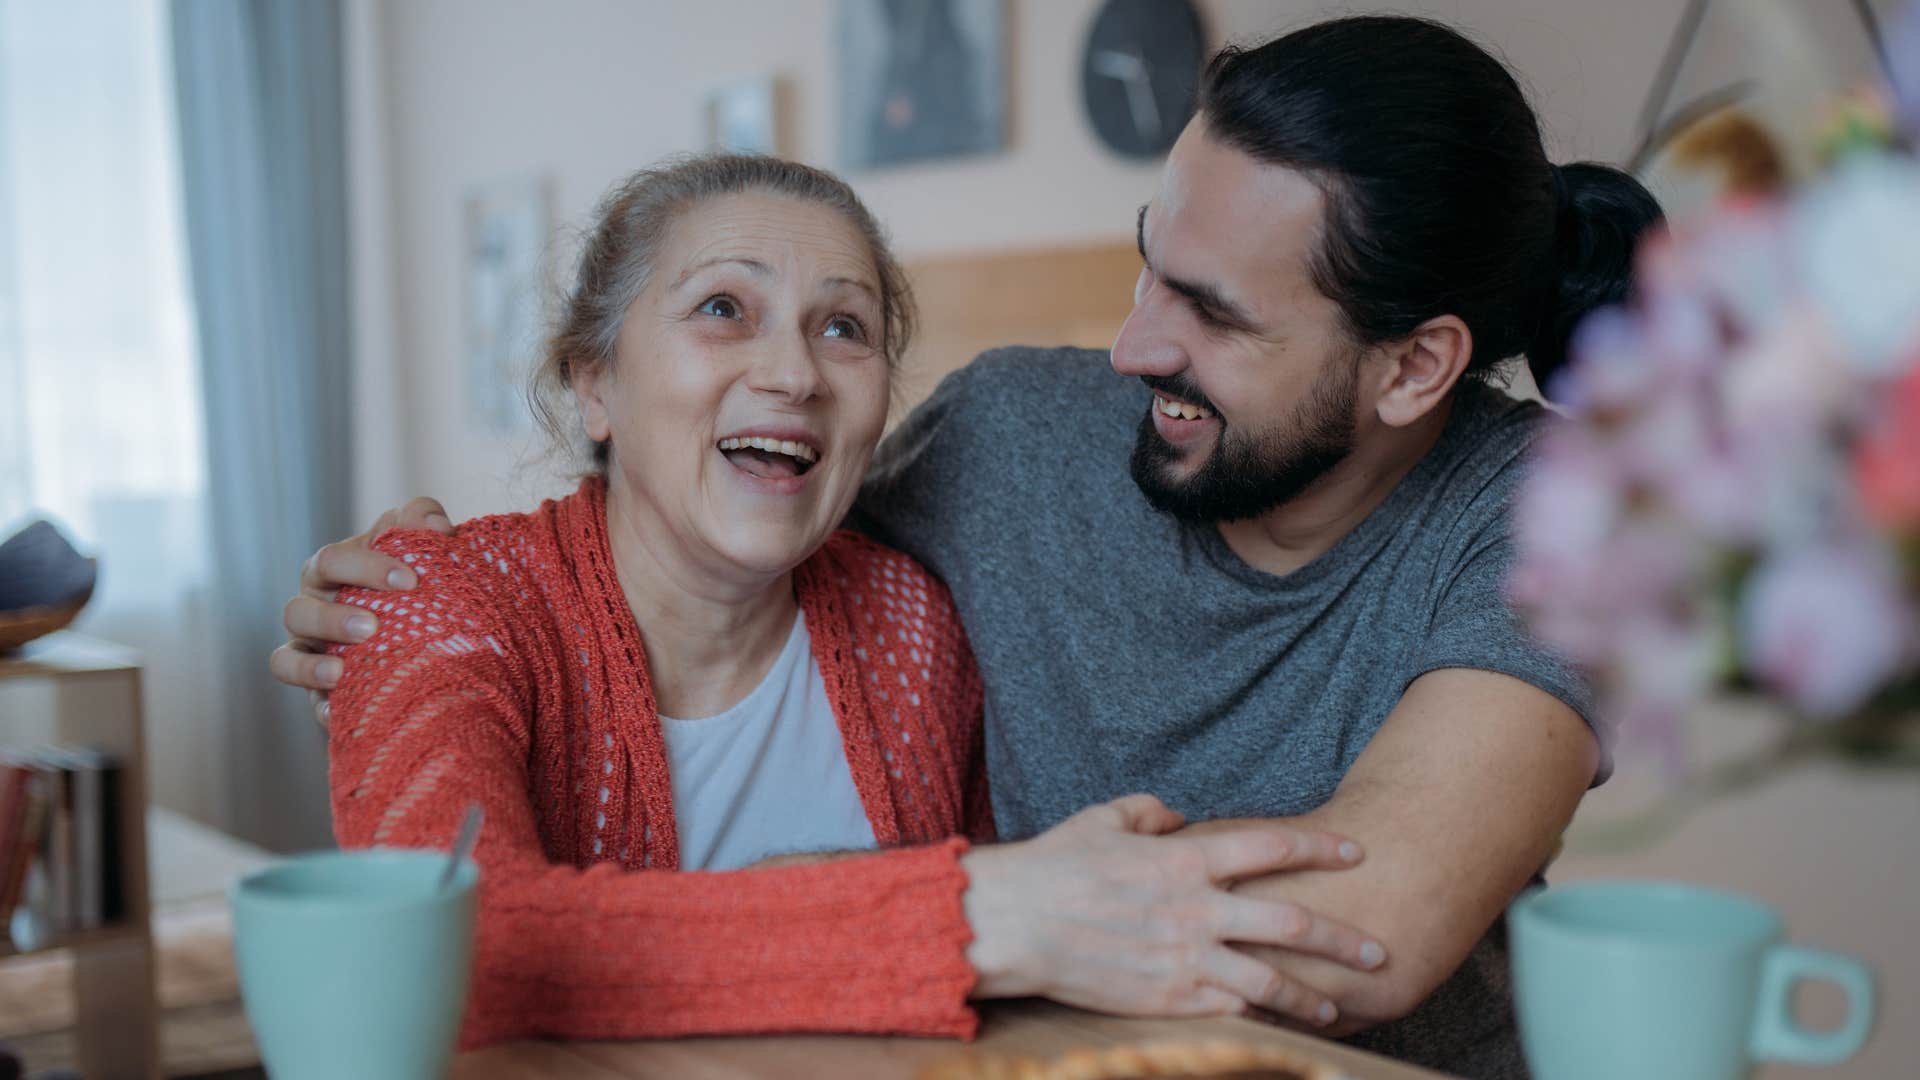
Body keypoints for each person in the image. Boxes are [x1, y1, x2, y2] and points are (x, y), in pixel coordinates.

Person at [277, 17, 1663, 1077]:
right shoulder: (1007, 439)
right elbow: (722, 528)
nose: (1131, 348)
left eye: (1214, 315)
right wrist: (427, 599)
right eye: (1143, 267)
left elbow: (1379, 924)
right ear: (588, 370)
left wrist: (987, 912)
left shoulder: (1561, 511)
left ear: (1415, 368)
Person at [310, 154, 1386, 1050]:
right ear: (594, 381)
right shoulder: (431, 598)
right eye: (724, 309)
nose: (794, 372)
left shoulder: (914, 625)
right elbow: (457, 948)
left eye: (844, 328)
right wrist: (973, 915)